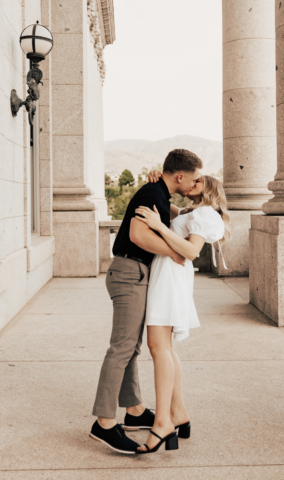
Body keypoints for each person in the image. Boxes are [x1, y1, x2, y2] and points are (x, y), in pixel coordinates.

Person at [90, 149, 203, 454]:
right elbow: (138, 235)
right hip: (130, 271)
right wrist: (174, 252)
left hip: (134, 272)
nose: (195, 183)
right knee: (122, 347)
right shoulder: (153, 191)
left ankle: (135, 411)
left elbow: (183, 217)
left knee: (132, 347)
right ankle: (103, 423)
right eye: (193, 178)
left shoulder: (160, 194)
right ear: (180, 176)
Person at [134, 171, 230, 454]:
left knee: (157, 346)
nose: (192, 181)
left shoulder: (205, 215)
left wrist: (158, 227)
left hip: (172, 276)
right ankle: (179, 414)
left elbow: (190, 250)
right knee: (164, 347)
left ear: (208, 188)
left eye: (198, 180)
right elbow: (174, 213)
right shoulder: (194, 212)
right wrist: (157, 179)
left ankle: (163, 422)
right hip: (168, 274)